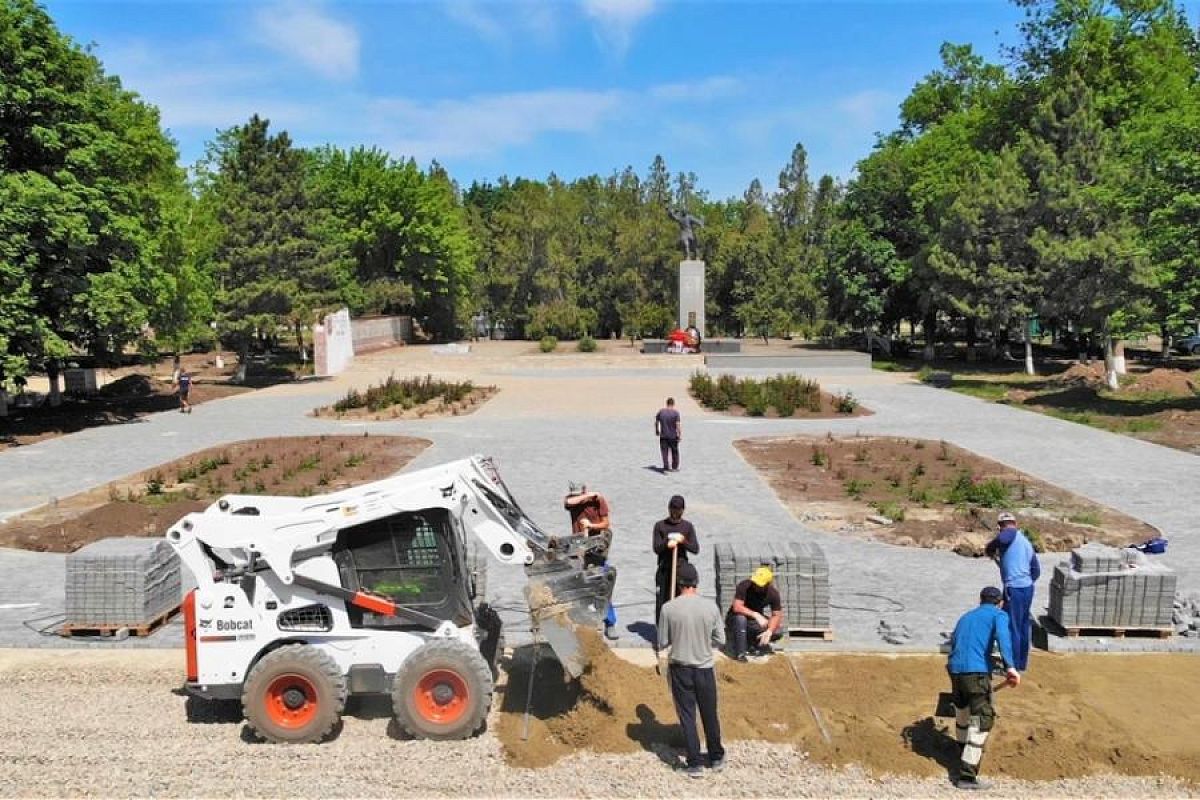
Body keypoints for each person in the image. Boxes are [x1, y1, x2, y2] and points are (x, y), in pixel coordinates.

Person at [946, 586, 1021, 791]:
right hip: (976, 674)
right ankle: (967, 776)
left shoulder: (966, 617)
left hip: (955, 671)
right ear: (1000, 602)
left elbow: (956, 642)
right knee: (981, 719)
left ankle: (961, 752)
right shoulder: (999, 615)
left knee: (964, 711)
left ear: (980, 600)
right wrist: (1011, 668)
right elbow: (1003, 638)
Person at [657, 561, 725, 777]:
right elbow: (720, 638)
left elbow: (662, 641)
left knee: (687, 715)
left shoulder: (668, 608)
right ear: (696, 582)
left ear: (678, 584)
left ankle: (694, 763)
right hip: (704, 668)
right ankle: (715, 757)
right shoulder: (711, 607)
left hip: (680, 668)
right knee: (709, 714)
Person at [984, 511, 1040, 672]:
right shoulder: (1025, 542)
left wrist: (990, 547)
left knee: (1012, 627)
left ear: (1002, 526)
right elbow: (1036, 570)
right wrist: (1025, 581)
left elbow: (1004, 537)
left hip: (1014, 589)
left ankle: (1012, 665)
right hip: (1027, 588)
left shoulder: (1008, 534)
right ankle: (1021, 663)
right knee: (1023, 626)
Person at [564, 482, 618, 641]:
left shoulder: (598, 501)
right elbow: (569, 502)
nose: (576, 498)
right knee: (579, 585)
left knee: (602, 585)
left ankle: (610, 622)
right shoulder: (572, 500)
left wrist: (591, 525)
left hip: (596, 547)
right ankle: (582, 622)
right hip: (578, 547)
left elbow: (606, 523)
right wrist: (586, 496)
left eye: (578, 495)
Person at [652, 495, 699, 625]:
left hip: (681, 570)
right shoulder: (660, 526)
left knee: (682, 602)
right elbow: (656, 548)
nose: (675, 512)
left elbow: (695, 549)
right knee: (662, 602)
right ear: (669, 508)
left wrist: (683, 541)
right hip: (664, 569)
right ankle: (662, 632)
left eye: (678, 510)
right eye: (673, 509)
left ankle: (679, 631)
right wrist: (667, 542)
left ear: (682, 510)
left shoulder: (687, 527)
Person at [726, 565, 785, 661]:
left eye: (759, 584)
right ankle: (740, 653)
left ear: (767, 584)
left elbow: (776, 615)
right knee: (740, 619)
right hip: (735, 619)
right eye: (755, 582)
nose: (756, 585)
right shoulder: (744, 586)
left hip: (752, 622)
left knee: (777, 631)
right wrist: (756, 615)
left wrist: (769, 631)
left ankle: (753, 643)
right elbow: (737, 607)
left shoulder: (773, 594)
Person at [655, 397, 682, 472]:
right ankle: (674, 467)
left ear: (667, 403)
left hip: (663, 435)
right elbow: (678, 425)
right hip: (673, 436)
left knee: (664, 452)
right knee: (675, 452)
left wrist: (657, 430)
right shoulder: (676, 413)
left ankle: (666, 466)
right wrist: (679, 435)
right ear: (673, 404)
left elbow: (656, 421)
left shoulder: (661, 412)